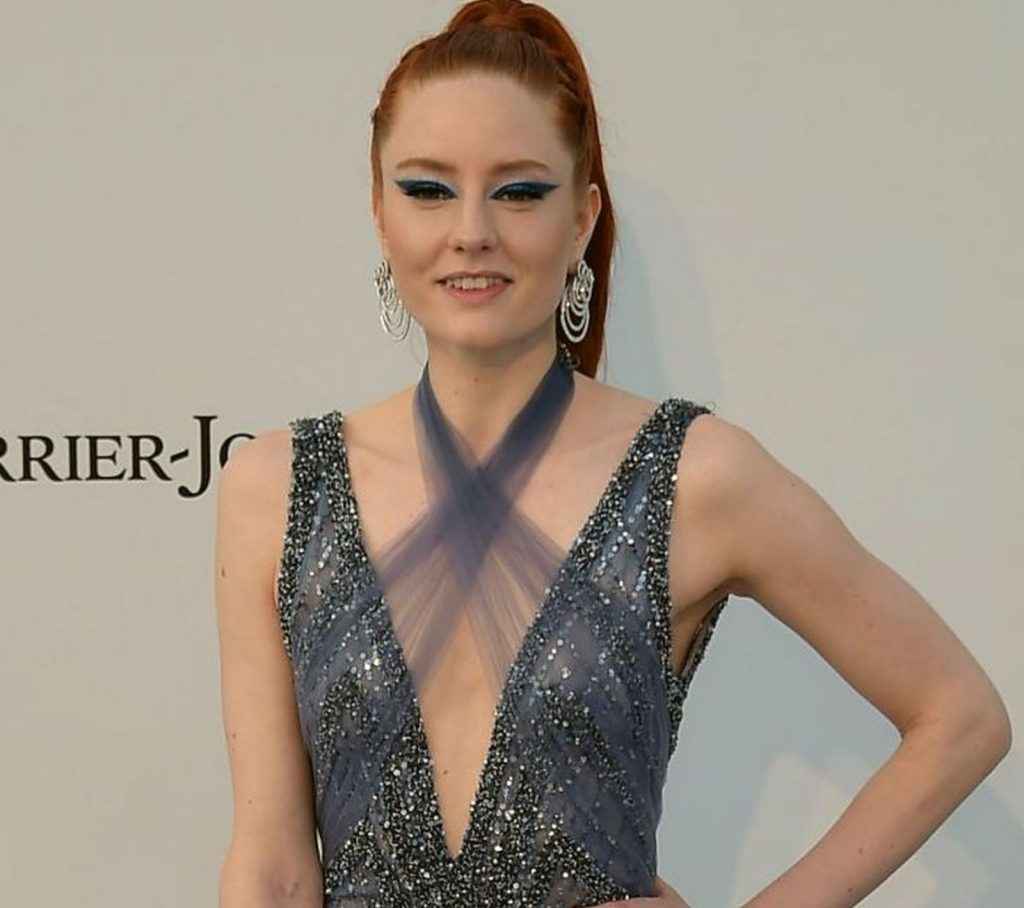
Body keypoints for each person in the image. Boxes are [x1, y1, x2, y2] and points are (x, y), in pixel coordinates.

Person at [213, 2, 1011, 906]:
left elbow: (962, 716)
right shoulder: (276, 487)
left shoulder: (696, 477)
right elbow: (272, 866)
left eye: (519, 191)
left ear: (582, 218)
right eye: (428, 189)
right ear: (379, 212)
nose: (470, 230)